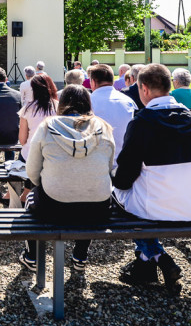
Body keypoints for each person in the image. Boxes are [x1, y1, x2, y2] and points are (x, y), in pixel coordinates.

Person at [112, 63, 191, 292]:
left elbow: (124, 178)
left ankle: (153, 256)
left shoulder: (142, 123)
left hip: (156, 209)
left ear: (144, 89)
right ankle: (149, 261)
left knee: (117, 197)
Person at [17, 85, 115, 272]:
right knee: (90, 192)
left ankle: (32, 255)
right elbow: (108, 167)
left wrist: (49, 182)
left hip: (54, 206)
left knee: (30, 199)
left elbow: (32, 170)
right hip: (97, 209)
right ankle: (80, 255)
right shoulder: (104, 128)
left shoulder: (47, 127)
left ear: (61, 104)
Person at [86, 64, 137, 167]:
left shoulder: (88, 102)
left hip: (96, 164)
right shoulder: (129, 101)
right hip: (124, 163)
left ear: (93, 82)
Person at [18, 73, 58, 161]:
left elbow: (22, 140)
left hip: (30, 155)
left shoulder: (27, 109)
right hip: (54, 156)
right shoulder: (59, 107)